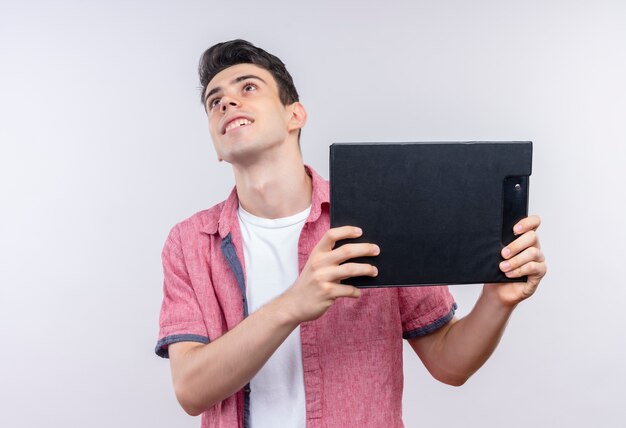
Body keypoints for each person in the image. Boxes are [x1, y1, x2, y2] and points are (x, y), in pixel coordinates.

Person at [155, 39, 547, 428]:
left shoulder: (380, 214)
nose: (227, 102)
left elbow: (449, 364)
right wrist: (293, 304)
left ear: (295, 115)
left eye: (248, 87)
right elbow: (191, 390)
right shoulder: (190, 243)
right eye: (214, 100)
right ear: (217, 147)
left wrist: (498, 300)